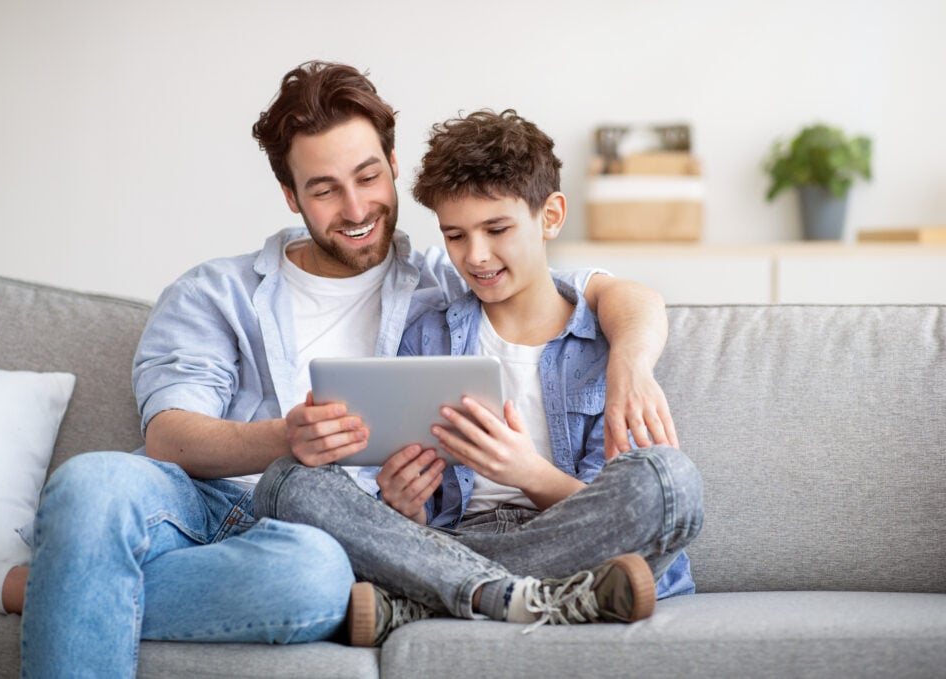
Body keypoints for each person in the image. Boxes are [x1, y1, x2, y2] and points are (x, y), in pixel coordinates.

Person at [0, 61, 679, 673]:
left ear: (391, 166)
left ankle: (28, 585)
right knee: (91, 479)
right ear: (291, 194)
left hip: (331, 543)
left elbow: (612, 296)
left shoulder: (450, 283)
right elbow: (169, 436)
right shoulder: (214, 290)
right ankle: (49, 579)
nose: (354, 207)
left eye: (367, 176)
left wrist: (631, 366)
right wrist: (282, 437)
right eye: (323, 188)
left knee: (317, 577)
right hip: (203, 505)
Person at [251, 107, 703, 642]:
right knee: (287, 481)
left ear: (550, 216)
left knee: (668, 481)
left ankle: (440, 598)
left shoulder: (605, 339)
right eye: (456, 236)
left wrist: (527, 472)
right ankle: (521, 596)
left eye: (497, 229)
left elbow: (608, 505)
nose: (477, 256)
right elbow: (405, 522)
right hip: (454, 543)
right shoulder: (425, 336)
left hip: (563, 539)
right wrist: (404, 508)